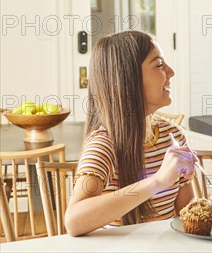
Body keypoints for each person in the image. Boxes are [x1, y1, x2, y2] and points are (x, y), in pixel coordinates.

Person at [65, 31, 196, 236]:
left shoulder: (173, 136)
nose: (171, 72)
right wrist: (158, 181)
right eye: (159, 65)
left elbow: (186, 211)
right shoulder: (104, 145)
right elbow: (74, 221)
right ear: (128, 78)